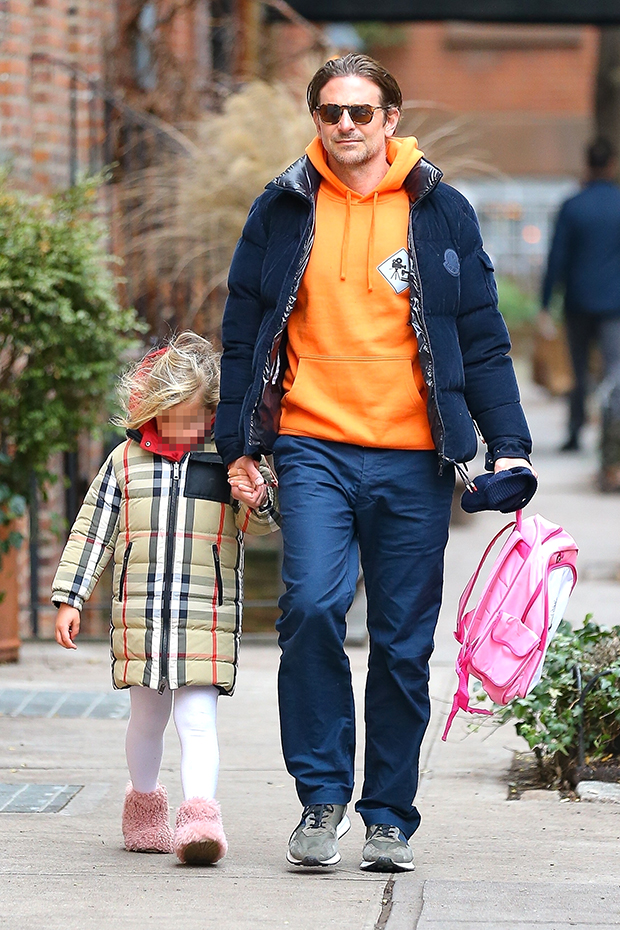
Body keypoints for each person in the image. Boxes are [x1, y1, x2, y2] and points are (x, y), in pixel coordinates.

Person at [215, 54, 533, 872]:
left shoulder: (441, 211)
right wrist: (239, 445)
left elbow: (483, 338)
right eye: (331, 113)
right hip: (313, 447)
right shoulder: (283, 209)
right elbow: (245, 336)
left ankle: (388, 815)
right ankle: (321, 800)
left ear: (391, 118)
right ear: (315, 119)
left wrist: (510, 444)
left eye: (362, 112)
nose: (346, 126)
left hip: (414, 458)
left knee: (400, 645)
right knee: (313, 610)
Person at [52, 333, 279, 865]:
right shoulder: (124, 464)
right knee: (147, 720)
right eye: (182, 416)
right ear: (155, 409)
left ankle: (200, 818)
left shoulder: (230, 461)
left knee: (197, 720)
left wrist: (256, 496)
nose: (194, 428)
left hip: (206, 615)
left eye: (203, 416)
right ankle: (145, 807)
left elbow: (258, 526)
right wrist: (71, 596)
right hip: (142, 615)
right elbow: (93, 530)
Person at [541, 137, 620, 451]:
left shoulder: (572, 206)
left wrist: (546, 303)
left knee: (578, 369)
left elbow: (556, 257)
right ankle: (611, 435)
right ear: (612, 165)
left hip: (577, 301)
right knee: (615, 369)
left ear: (588, 164)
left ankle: (575, 432)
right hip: (615, 304)